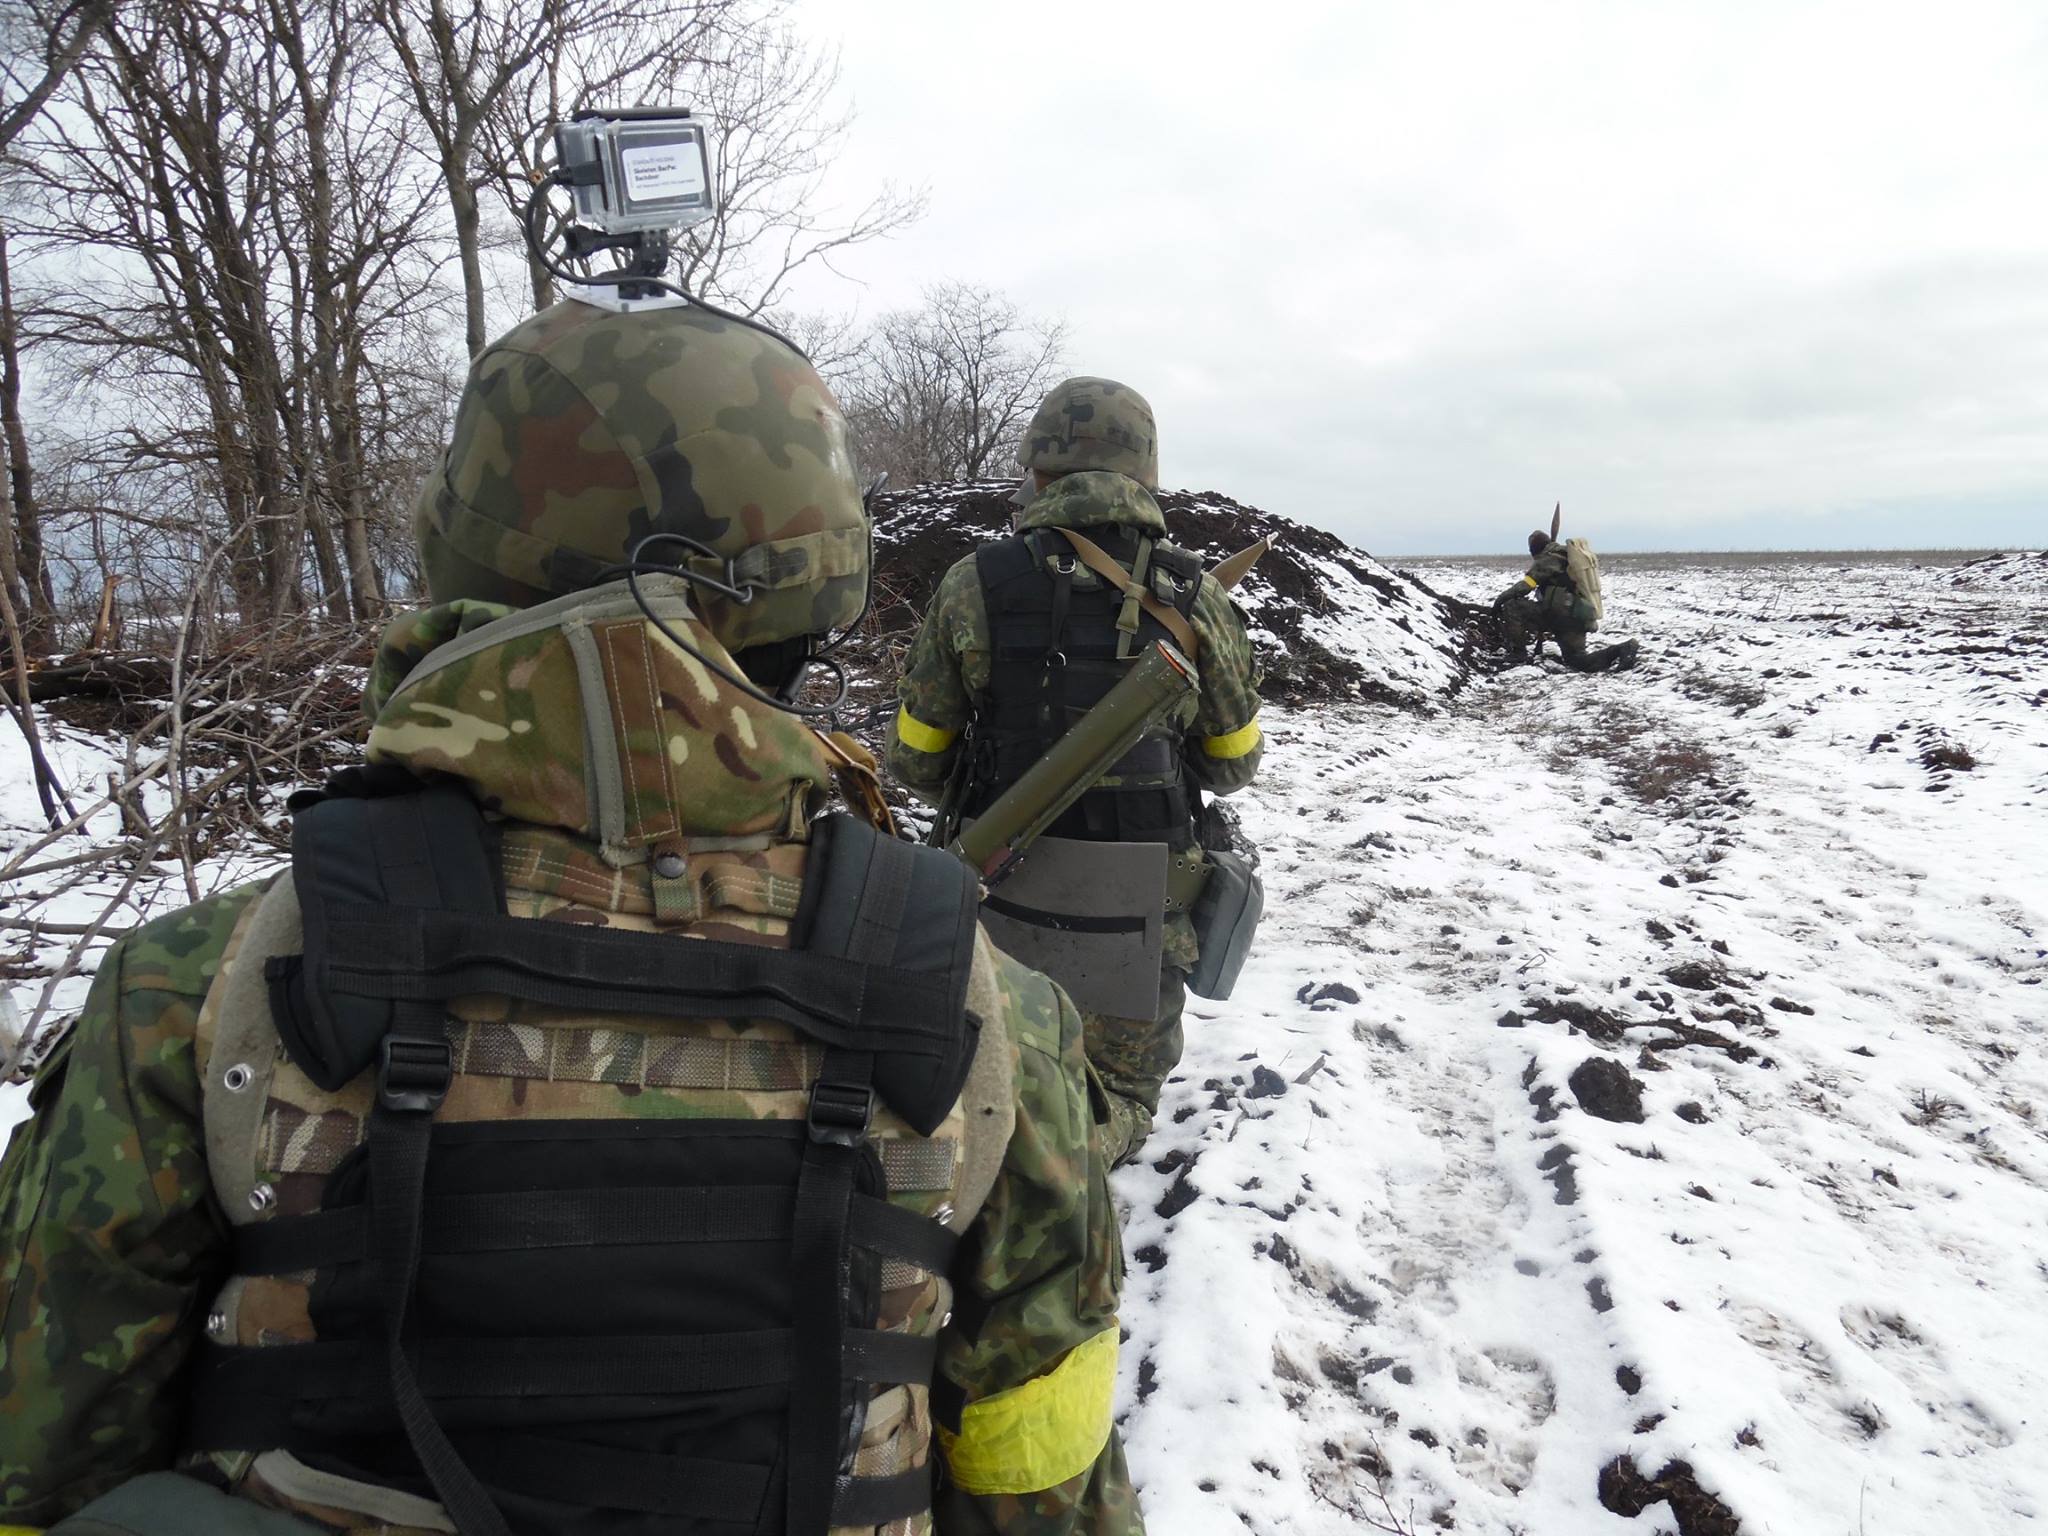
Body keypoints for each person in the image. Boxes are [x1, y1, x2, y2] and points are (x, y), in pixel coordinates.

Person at [0, 300, 1142, 1536]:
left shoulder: (206, 984)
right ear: (818, 599)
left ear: (462, 566)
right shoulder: (985, 1014)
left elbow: (42, 1455)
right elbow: (1043, 1488)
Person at [885, 377, 1263, 1170]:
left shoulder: (972, 585)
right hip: (1147, 909)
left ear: (1038, 471)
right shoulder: (1196, 594)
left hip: (999, 893)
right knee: (1117, 1101)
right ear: (1145, 476)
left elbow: (918, 758)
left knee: (991, 1072)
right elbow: (1234, 765)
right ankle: (1074, 1164)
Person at [1495, 528, 1639, 672]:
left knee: (1513, 606)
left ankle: (1518, 653)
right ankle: (1622, 649)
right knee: (1578, 661)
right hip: (1577, 614)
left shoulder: (1547, 559)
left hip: (1559, 615)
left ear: (1534, 550)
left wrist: (1500, 600)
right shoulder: (1566, 556)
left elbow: (1526, 586)